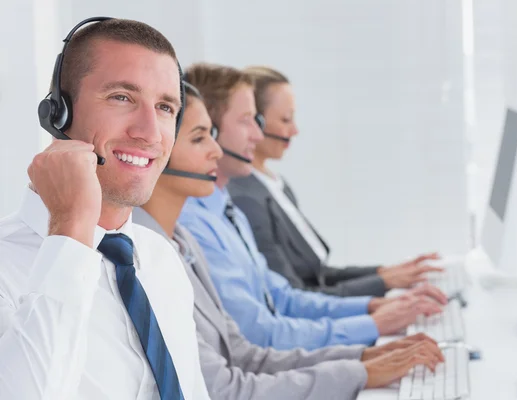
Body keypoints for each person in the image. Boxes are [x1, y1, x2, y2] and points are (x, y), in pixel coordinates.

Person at [133, 81, 445, 399]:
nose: (216, 150)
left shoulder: (183, 242)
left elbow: (247, 348)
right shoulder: (157, 254)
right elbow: (228, 382)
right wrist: (361, 361)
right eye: (200, 138)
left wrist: (362, 359)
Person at [0, 18, 209, 399]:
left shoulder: (160, 257)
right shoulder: (5, 266)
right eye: (122, 97)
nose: (149, 132)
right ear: (57, 113)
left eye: (165, 107)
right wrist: (71, 229)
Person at [179, 63, 447, 351]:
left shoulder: (228, 211)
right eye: (247, 121)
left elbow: (282, 298)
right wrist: (371, 326)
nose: (258, 135)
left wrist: (372, 307)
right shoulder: (200, 223)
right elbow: (260, 334)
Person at [227, 66, 445, 297]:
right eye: (285, 119)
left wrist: (385, 274)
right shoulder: (247, 199)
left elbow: (318, 273)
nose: (295, 130)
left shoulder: (276, 184)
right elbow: (297, 294)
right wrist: (381, 287)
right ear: (256, 123)